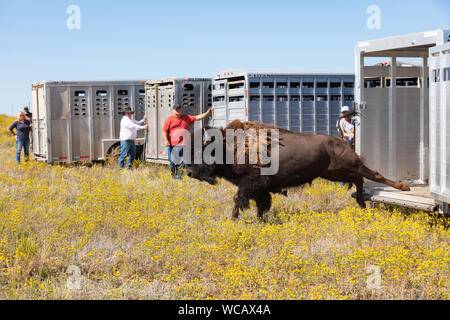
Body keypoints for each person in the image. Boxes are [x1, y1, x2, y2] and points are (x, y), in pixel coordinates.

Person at [163, 105, 213, 179]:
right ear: (173, 110)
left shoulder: (186, 118)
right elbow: (165, 131)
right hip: (173, 145)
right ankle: (173, 176)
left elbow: (197, 117)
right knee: (172, 162)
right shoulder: (169, 119)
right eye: (176, 109)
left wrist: (207, 113)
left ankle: (179, 176)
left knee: (185, 160)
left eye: (179, 109)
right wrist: (166, 140)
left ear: (181, 110)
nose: (178, 110)